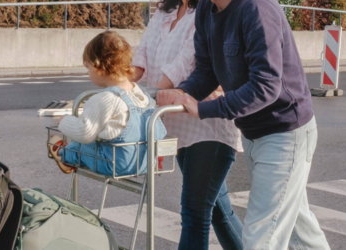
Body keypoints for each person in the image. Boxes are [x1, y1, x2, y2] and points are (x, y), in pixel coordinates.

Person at [155, 0, 331, 248]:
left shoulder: (257, 9)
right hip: (253, 132)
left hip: (285, 132)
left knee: (261, 237)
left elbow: (267, 86)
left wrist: (204, 108)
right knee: (300, 232)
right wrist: (183, 93)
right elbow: (207, 71)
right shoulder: (207, 9)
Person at [132, 0, 243, 248]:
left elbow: (185, 63)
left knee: (195, 215)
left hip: (207, 125)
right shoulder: (165, 9)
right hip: (178, 125)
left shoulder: (204, 11)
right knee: (218, 211)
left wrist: (150, 94)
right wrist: (123, 77)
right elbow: (143, 50)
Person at [47, 31, 167, 177]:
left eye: (88, 68)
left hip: (113, 164)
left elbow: (84, 132)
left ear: (98, 67)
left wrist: (63, 121)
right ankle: (157, 159)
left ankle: (63, 154)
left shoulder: (105, 99)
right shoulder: (143, 95)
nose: (88, 72)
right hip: (146, 162)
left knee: (81, 146)